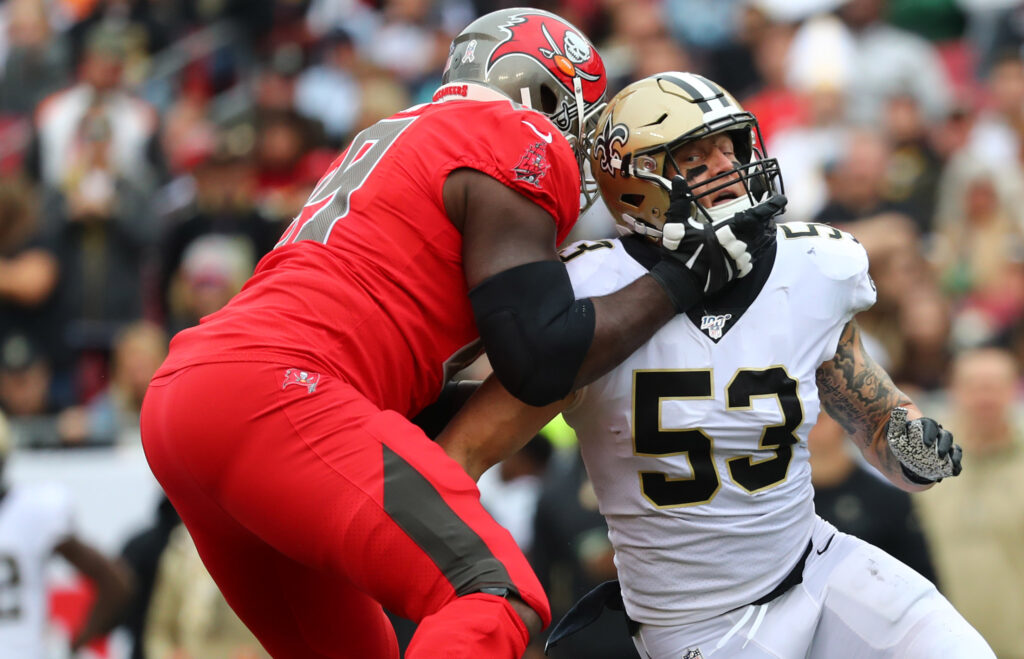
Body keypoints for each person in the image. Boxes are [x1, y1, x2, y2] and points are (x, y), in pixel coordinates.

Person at [139, 10, 778, 659]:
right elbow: (539, 354)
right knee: (491, 595)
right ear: (550, 96)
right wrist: (684, 276)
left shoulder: (400, 132)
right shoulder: (515, 133)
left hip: (189, 396)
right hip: (277, 390)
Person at [438, 71, 994, 658]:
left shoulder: (812, 268)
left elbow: (877, 420)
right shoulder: (586, 290)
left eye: (730, 146)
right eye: (697, 157)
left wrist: (908, 444)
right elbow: (463, 453)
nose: (728, 167)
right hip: (694, 624)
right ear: (634, 180)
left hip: (818, 567)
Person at [915, 347, 1024, 657]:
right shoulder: (922, 462)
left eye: (994, 386)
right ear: (953, 390)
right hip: (939, 644)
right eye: (974, 386)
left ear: (1013, 390)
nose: (984, 397)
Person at [0, 409, 134, 657]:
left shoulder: (33, 512)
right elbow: (117, 583)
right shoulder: (35, 510)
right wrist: (77, 642)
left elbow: (116, 583)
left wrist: (77, 641)